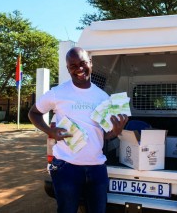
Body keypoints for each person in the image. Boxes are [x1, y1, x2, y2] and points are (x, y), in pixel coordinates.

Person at [28, 47, 128, 213]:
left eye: (83, 63)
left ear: (91, 64)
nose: (79, 69)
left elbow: (103, 134)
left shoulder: (102, 96)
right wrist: (49, 131)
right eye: (73, 66)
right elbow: (33, 113)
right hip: (66, 168)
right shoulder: (57, 93)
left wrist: (115, 132)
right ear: (68, 69)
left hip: (97, 168)